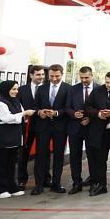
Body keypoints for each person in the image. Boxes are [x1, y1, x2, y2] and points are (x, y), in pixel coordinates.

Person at [0, 81, 36, 198]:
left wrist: (25, 115)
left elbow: (21, 117)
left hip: (14, 140)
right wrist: (24, 113)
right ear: (6, 90)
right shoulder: (0, 104)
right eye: (13, 89)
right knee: (1, 165)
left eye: (17, 89)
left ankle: (11, 187)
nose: (16, 91)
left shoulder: (16, 102)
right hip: (2, 140)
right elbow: (7, 118)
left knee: (10, 165)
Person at [32, 64, 71, 195]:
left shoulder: (68, 89)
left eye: (57, 76)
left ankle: (56, 184)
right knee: (40, 155)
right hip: (43, 126)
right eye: (51, 76)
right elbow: (35, 106)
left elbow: (68, 107)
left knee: (59, 156)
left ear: (62, 74)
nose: (54, 79)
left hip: (60, 127)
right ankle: (39, 185)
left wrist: (56, 113)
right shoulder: (41, 88)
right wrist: (40, 112)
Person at [65, 66, 95, 194]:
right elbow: (67, 107)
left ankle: (94, 182)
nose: (84, 80)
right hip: (75, 128)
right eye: (81, 78)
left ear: (92, 75)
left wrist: (90, 119)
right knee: (74, 157)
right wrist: (74, 114)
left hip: (92, 128)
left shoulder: (99, 89)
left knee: (93, 156)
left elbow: (101, 108)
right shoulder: (73, 89)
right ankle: (76, 183)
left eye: (86, 77)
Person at [17, 65, 46, 190]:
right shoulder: (21, 90)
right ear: (31, 75)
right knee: (23, 153)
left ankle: (44, 179)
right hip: (26, 126)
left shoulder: (47, 88)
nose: (41, 77)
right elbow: (17, 106)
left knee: (42, 153)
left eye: (43, 74)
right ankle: (22, 180)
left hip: (43, 125)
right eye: (38, 74)